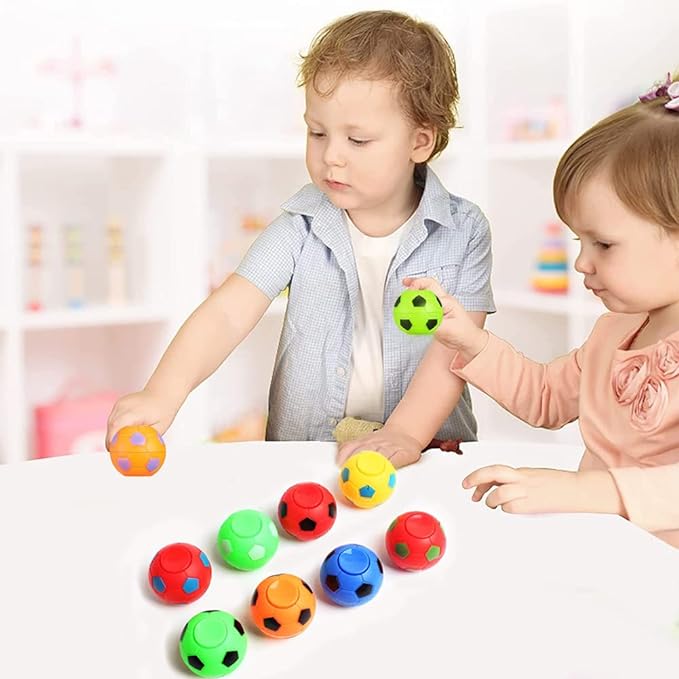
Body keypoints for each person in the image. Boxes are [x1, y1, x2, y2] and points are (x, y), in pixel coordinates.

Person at [105, 10, 495, 451]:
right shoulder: (300, 225)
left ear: (420, 142)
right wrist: (163, 391)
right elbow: (228, 312)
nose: (331, 156)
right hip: (310, 448)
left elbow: (454, 350)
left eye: (358, 140)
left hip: (429, 450)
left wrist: (403, 435)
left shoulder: (464, 231)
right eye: (317, 133)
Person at [342, 72, 679, 548]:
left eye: (603, 244)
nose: (582, 263)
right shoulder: (614, 332)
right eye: (580, 241)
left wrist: (582, 490)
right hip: (609, 549)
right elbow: (544, 397)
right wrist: (471, 341)